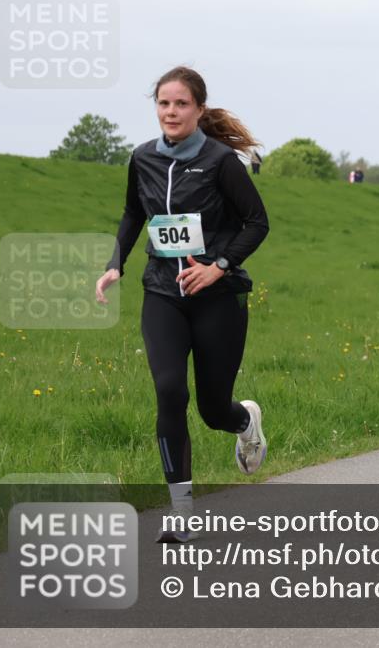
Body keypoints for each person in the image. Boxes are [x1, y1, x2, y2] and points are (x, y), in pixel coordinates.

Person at [95, 66, 270, 543]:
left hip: (217, 297)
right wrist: (117, 264)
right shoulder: (142, 158)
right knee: (170, 391)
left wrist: (218, 265)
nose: (170, 112)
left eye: (180, 104)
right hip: (162, 294)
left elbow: (257, 222)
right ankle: (183, 513)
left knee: (214, 410)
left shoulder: (220, 163)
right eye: (163, 103)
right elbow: (134, 212)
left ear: (198, 109)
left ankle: (245, 421)